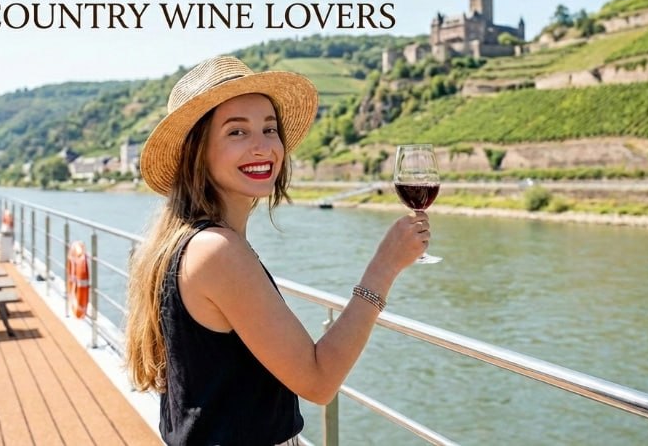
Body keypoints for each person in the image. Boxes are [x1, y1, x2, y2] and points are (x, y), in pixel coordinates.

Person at [125, 56, 429, 445]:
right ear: (197, 153)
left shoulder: (182, 241)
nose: (263, 146)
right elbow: (318, 381)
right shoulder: (217, 251)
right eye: (237, 132)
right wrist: (384, 267)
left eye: (270, 128)